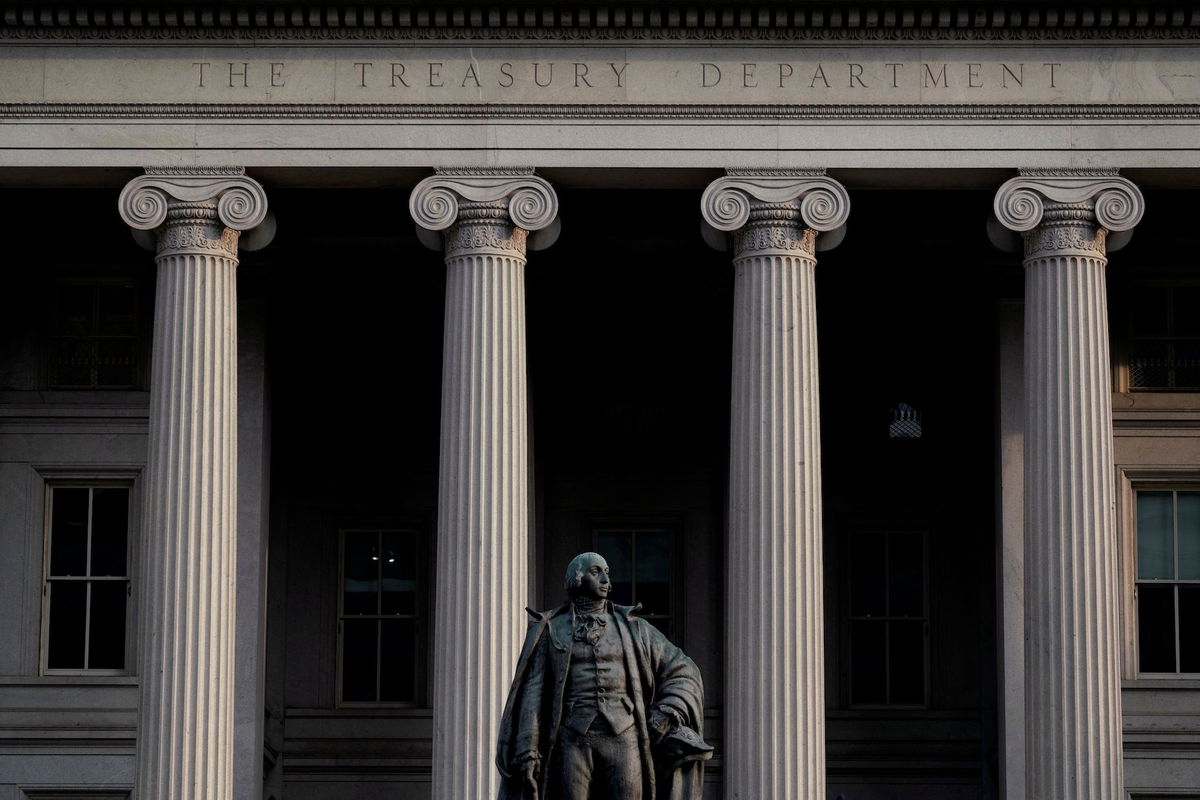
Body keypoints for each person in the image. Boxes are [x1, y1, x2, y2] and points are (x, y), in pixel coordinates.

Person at [496, 552, 711, 800]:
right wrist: (527, 748)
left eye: (607, 572)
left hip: (625, 736)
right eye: (596, 572)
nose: (606, 579)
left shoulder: (635, 629)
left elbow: (682, 668)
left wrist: (667, 711)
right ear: (577, 579)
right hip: (572, 739)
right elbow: (533, 692)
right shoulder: (551, 629)